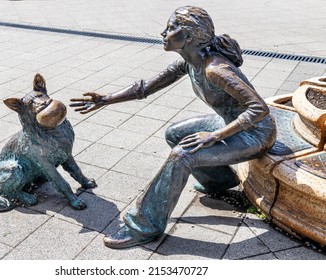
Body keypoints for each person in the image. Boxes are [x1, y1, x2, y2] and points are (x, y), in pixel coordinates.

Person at [70, 6, 276, 249]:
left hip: (256, 134)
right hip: (232, 124)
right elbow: (145, 87)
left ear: (188, 37)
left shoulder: (215, 69)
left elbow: (259, 109)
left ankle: (145, 226)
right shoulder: (189, 62)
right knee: (175, 133)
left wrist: (214, 136)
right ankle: (219, 182)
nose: (163, 33)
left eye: (170, 28)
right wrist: (106, 99)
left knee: (182, 156)